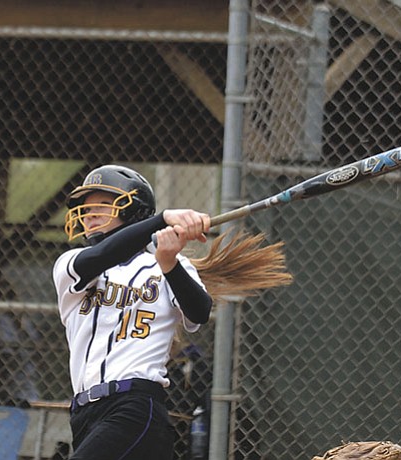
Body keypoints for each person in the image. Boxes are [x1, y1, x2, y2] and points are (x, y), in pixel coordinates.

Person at [52, 165, 293, 460]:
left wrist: (169, 262)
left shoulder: (164, 265)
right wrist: (163, 219)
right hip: (84, 413)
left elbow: (199, 311)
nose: (89, 214)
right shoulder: (71, 263)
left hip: (134, 406)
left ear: (134, 211)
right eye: (85, 208)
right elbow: (103, 255)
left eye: (102, 205)